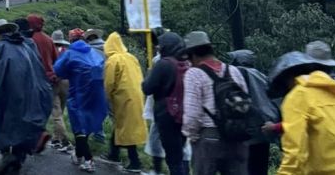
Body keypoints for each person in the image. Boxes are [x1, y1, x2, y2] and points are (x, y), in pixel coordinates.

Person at [0, 18, 53, 174]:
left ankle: (9, 155)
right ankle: (19, 155)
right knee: (24, 129)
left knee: (4, 127)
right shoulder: (28, 46)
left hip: (9, 96)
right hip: (35, 95)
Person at [180, 31, 249, 175]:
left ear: (192, 55)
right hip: (236, 138)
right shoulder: (234, 71)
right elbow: (246, 102)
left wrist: (191, 136)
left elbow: (192, 114)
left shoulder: (194, 74)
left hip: (208, 139)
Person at [53, 28, 109, 173]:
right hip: (96, 93)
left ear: (70, 40)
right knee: (88, 123)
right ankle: (78, 155)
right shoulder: (94, 53)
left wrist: (69, 73)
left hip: (79, 93)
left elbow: (58, 70)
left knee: (78, 127)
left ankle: (89, 160)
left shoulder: (70, 53)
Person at [142, 32, 189, 175]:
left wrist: (150, 74)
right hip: (183, 115)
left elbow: (147, 88)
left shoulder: (163, 64)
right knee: (179, 153)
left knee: (173, 159)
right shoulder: (187, 64)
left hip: (166, 115)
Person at [227, 50, 280, 175]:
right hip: (264, 128)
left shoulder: (237, 73)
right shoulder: (261, 76)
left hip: (246, 132)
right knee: (260, 169)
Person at [102, 33, 148, 173]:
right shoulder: (131, 57)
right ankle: (113, 154)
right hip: (137, 95)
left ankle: (135, 162)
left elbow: (109, 82)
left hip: (123, 97)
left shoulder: (113, 60)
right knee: (124, 125)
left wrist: (106, 97)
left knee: (126, 127)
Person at [48, 30, 72, 153]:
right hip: (66, 83)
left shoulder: (50, 52)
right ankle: (55, 139)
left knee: (56, 114)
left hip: (54, 82)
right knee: (61, 112)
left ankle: (65, 140)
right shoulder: (67, 52)